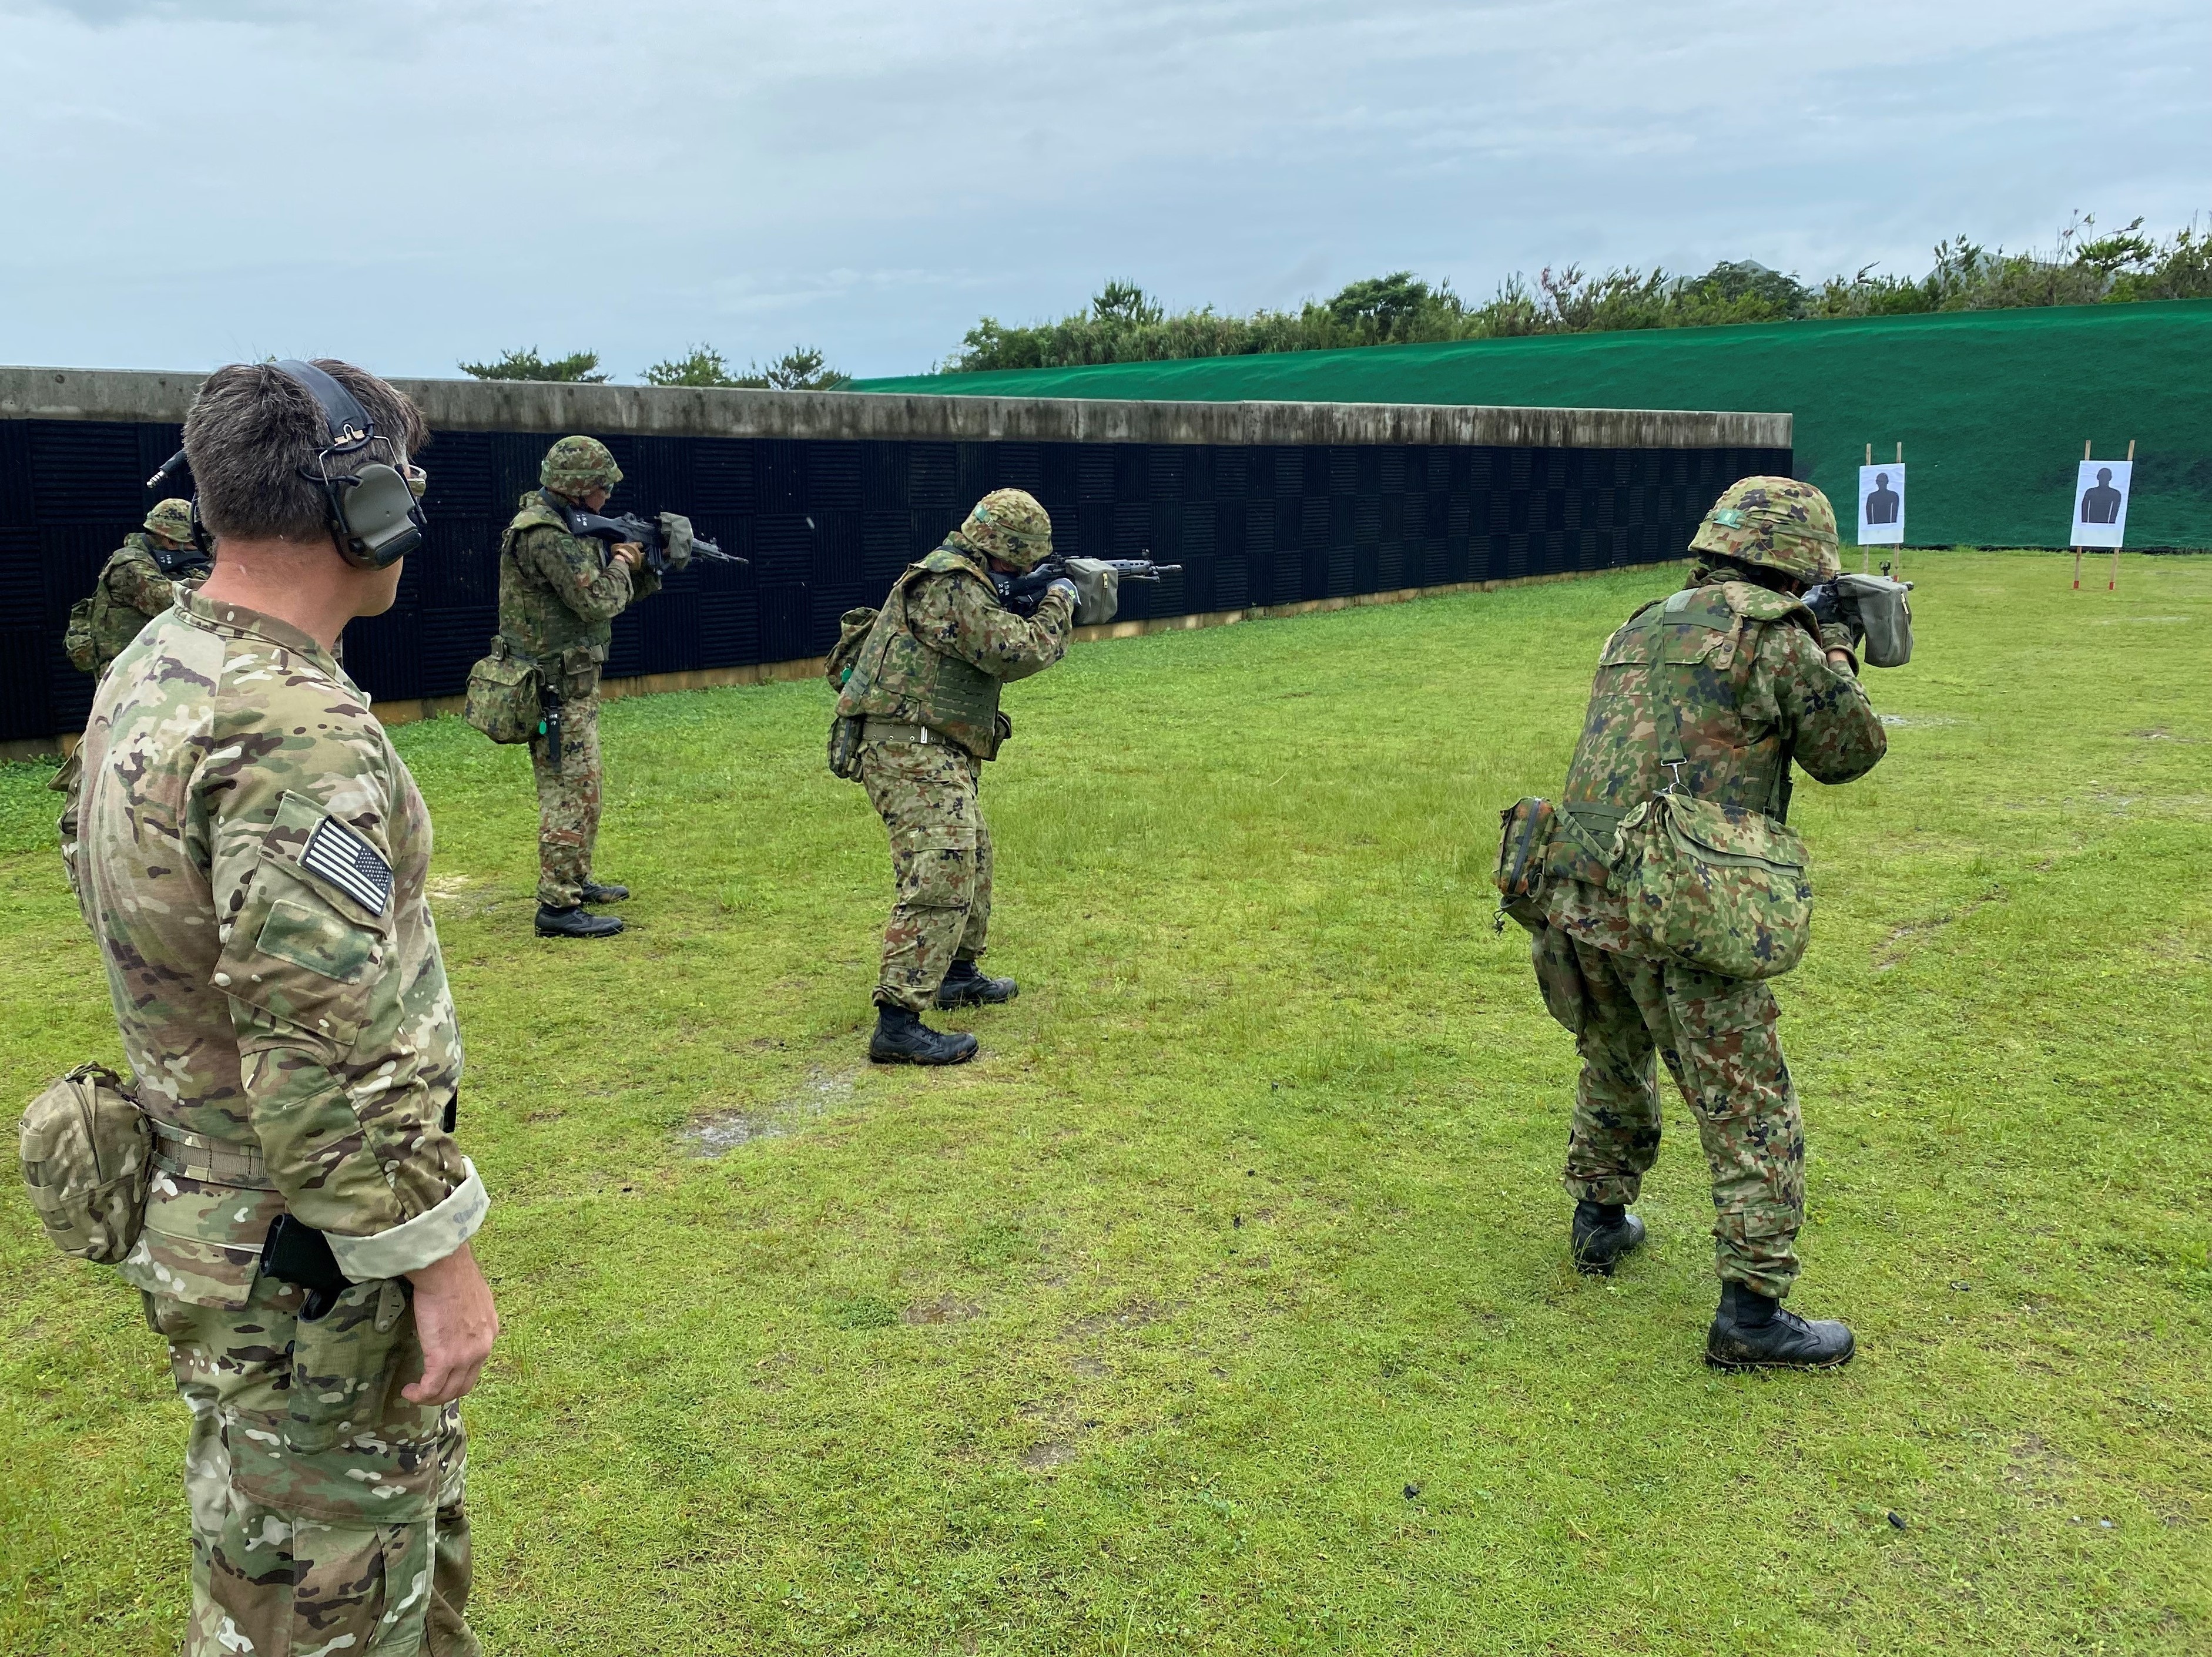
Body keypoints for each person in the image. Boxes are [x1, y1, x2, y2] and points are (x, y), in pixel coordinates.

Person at [65, 360, 497, 1653]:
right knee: (323, 1604)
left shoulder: (165, 661)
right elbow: (318, 1055)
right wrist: (439, 1258)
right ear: (369, 505)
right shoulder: (289, 726)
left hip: (226, 1233)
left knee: (299, 1574)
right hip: (306, 1268)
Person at [1531, 476, 1886, 1369]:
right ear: (1801, 560)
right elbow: (1850, 750)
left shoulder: (1641, 624)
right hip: (1685, 901)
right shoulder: (1773, 638)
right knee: (1748, 1103)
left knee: (1614, 1059)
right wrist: (1838, 646)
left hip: (1584, 889)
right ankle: (1753, 1316)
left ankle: (1599, 1222)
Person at [835, 487, 1109, 1064]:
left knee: (973, 857)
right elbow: (1017, 652)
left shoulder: (970, 580)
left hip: (933, 745)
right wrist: (1060, 600)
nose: (1027, 571)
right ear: (998, 549)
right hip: (906, 748)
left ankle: (956, 976)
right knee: (941, 870)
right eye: (1024, 562)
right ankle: (898, 1023)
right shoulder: (952, 584)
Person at [497, 435, 660, 938]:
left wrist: (648, 560)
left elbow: (606, 596)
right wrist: (623, 562)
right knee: (571, 793)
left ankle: (575, 879)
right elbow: (597, 601)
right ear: (579, 487)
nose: (607, 496)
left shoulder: (566, 524)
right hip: (553, 687)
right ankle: (559, 907)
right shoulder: (545, 533)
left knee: (584, 789)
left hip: (570, 682)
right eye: (601, 487)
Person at [68, 497, 210, 677]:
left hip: (152, 663)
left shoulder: (161, 561)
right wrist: (208, 573)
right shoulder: (130, 565)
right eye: (193, 543)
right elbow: (173, 604)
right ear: (170, 542)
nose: (199, 549)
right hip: (126, 672)